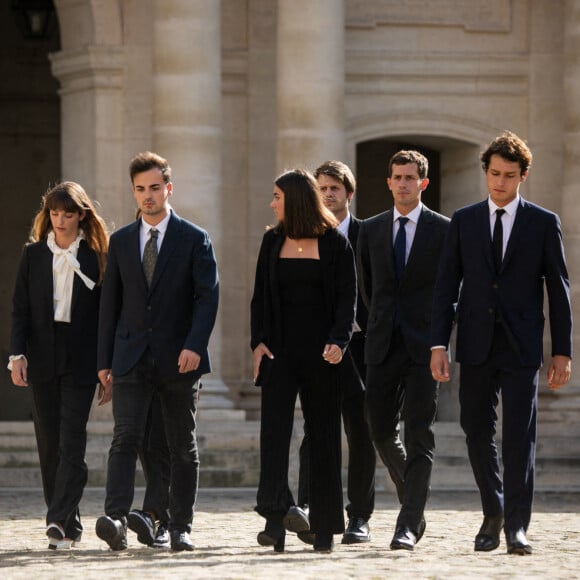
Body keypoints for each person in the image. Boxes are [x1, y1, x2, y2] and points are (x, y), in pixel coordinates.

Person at [430, 131, 572, 556]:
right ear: (486, 172)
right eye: (494, 174)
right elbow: (445, 287)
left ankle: (516, 528)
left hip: (522, 346)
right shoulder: (464, 220)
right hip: (474, 343)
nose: (500, 182)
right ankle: (494, 508)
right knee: (475, 429)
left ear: (523, 176)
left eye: (509, 176)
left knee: (519, 438)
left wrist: (561, 351)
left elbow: (559, 289)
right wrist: (439, 343)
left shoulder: (543, 222)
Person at [95, 151, 219, 552]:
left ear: (168, 188)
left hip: (179, 359)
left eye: (153, 188)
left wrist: (195, 346)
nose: (147, 196)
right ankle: (115, 518)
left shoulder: (194, 238)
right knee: (125, 438)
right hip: (130, 357)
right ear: (133, 192)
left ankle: (180, 525)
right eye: (139, 189)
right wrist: (104, 363)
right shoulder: (121, 242)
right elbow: (109, 306)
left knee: (182, 445)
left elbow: (207, 299)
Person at [251, 168, 357, 553]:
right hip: (278, 354)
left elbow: (348, 300)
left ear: (294, 199)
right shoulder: (271, 241)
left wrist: (338, 341)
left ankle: (325, 527)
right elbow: (260, 297)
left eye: (277, 196)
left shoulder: (334, 244)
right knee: (274, 437)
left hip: (322, 356)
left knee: (324, 437)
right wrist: (257, 343)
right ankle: (275, 520)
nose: (272, 203)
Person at [357, 150, 450, 550]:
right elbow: (366, 291)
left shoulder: (444, 231)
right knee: (378, 429)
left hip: (423, 348)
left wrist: (438, 342)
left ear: (423, 183)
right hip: (381, 346)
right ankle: (413, 498)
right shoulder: (370, 230)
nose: (403, 184)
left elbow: (450, 294)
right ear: (388, 181)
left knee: (419, 435)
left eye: (410, 178)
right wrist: (376, 327)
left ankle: (408, 523)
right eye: (397, 177)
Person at [8, 181, 109, 549]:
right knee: (49, 443)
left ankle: (57, 518)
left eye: (68, 214)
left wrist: (106, 365)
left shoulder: (97, 255)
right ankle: (68, 522)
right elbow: (20, 310)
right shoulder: (33, 255)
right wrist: (17, 355)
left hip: (82, 357)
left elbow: (105, 316)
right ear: (47, 214)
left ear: (81, 214)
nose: (61, 220)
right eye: (54, 213)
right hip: (42, 355)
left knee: (72, 441)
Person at [283, 161, 376, 545]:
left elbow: (377, 291)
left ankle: (359, 517)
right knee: (315, 431)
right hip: (316, 351)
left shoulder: (368, 235)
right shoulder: (302, 237)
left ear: (349, 194)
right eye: (322, 188)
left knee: (360, 431)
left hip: (359, 348)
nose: (328, 194)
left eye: (335, 187)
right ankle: (307, 506)